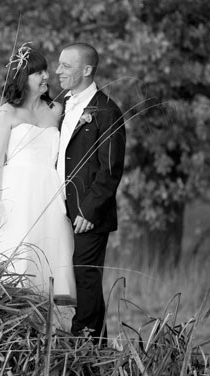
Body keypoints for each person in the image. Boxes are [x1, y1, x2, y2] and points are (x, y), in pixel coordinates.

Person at [0, 43, 76, 309]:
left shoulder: (57, 110)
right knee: (12, 254)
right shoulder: (7, 112)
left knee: (48, 258)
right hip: (15, 192)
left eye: (46, 71)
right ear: (24, 79)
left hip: (48, 191)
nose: (47, 76)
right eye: (39, 73)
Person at [55, 42, 126, 345]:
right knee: (81, 279)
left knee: (85, 277)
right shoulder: (62, 104)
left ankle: (82, 345)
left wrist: (88, 211)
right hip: (59, 208)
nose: (57, 71)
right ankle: (98, 349)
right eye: (58, 64)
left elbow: (109, 169)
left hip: (87, 214)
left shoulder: (107, 111)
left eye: (66, 66)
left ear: (86, 70)